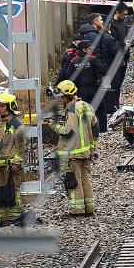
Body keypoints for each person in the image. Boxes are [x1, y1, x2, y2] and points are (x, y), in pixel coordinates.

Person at [54, 80, 98, 216]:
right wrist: (92, 148)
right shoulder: (87, 106)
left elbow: (68, 131)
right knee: (86, 180)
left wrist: (54, 126)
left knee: (75, 181)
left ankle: (77, 210)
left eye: (61, 97)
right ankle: (89, 208)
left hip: (73, 153)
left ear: (67, 96)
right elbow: (95, 128)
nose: (59, 100)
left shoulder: (72, 110)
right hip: (86, 152)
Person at [0, 93, 28, 227]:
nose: (0, 108)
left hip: (11, 166)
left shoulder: (16, 124)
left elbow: (22, 146)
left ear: (10, 106)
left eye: (2, 105)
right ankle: (3, 219)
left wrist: (16, 162)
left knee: (13, 192)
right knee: (0, 192)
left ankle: (16, 218)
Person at [106, 3, 130, 113]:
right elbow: (111, 43)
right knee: (113, 83)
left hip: (123, 57)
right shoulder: (110, 25)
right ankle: (111, 106)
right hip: (114, 59)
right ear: (117, 13)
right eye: (124, 14)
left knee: (119, 82)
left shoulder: (123, 24)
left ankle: (116, 104)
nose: (126, 16)